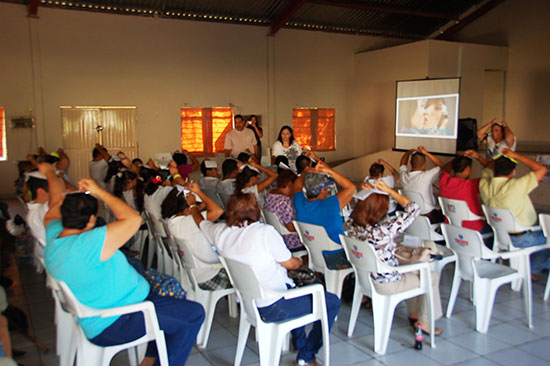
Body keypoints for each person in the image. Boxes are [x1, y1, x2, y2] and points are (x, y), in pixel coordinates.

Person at [41, 162, 204, 365]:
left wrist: (49, 173)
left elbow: (54, 204)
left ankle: (149, 359)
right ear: (91, 220)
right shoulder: (88, 244)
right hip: (119, 320)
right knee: (193, 314)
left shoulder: (55, 236)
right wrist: (99, 191)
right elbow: (132, 219)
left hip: (113, 309)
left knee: (168, 293)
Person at [194, 191, 340, 366]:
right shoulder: (264, 232)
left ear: (230, 210)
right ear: (256, 209)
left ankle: (300, 343)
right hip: (275, 305)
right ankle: (307, 355)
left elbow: (201, 222)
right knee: (331, 301)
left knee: (295, 289)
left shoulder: (220, 231)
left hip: (250, 303)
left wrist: (192, 209)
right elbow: (290, 264)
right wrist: (301, 260)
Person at [347, 180, 443, 335]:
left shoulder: (352, 224)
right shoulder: (383, 232)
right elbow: (414, 209)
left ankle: (413, 314)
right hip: (386, 283)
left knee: (411, 272)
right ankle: (425, 322)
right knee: (431, 276)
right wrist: (390, 191)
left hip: (366, 278)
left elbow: (363, 205)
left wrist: (368, 193)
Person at [479, 149, 549, 274]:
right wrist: (515, 155)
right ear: (513, 172)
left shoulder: (484, 184)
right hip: (523, 238)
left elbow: (487, 169)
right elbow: (542, 169)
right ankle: (532, 268)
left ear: (493, 170)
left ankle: (530, 267)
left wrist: (496, 159)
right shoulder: (516, 186)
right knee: (546, 237)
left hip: (500, 236)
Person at [162, 185, 231, 291]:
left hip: (195, 273)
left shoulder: (171, 221)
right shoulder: (189, 222)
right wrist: (198, 196)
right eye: (198, 208)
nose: (200, 210)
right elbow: (218, 211)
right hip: (210, 275)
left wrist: (196, 205)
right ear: (187, 210)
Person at [293, 158, 356, 269]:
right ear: (322, 190)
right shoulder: (329, 205)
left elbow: (297, 185)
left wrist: (306, 173)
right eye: (326, 188)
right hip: (337, 256)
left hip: (315, 255)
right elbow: (351, 187)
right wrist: (329, 171)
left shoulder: (299, 203)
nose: (327, 190)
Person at [439, 150, 490, 233]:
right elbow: (493, 171)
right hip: (474, 229)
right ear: (468, 169)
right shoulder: (471, 185)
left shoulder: (444, 181)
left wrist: (458, 158)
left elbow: (444, 169)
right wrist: (478, 157)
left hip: (452, 226)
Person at [399, 146, 445, 224]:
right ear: (424, 164)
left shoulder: (403, 177)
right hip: (429, 217)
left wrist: (408, 153)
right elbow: (443, 167)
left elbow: (402, 164)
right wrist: (426, 153)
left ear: (410, 163)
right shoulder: (427, 176)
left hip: (411, 216)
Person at [264, 170, 304, 252]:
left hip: (276, 237)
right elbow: (291, 228)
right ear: (290, 185)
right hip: (291, 242)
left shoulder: (270, 194)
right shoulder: (285, 201)